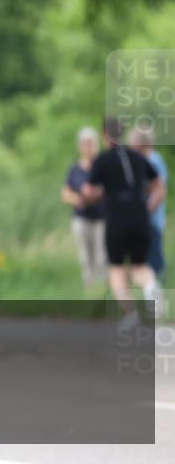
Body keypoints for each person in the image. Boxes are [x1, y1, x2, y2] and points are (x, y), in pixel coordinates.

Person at [82, 118, 164, 329]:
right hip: (139, 216)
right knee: (140, 265)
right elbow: (158, 186)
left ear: (104, 135)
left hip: (117, 217)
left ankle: (131, 312)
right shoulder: (137, 157)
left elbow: (88, 191)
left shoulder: (103, 160)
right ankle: (152, 287)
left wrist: (96, 196)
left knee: (117, 269)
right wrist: (150, 206)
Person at [61, 127, 107, 286]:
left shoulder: (102, 165)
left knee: (101, 254)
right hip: (82, 216)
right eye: (85, 144)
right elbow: (66, 193)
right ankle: (89, 284)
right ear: (80, 146)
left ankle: (101, 285)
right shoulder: (75, 169)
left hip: (101, 216)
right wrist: (79, 199)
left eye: (91, 143)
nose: (88, 147)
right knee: (85, 255)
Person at [130, 127, 168, 284]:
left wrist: (145, 211)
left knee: (153, 260)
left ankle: (156, 294)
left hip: (151, 219)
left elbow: (160, 191)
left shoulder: (154, 161)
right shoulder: (140, 160)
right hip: (142, 218)